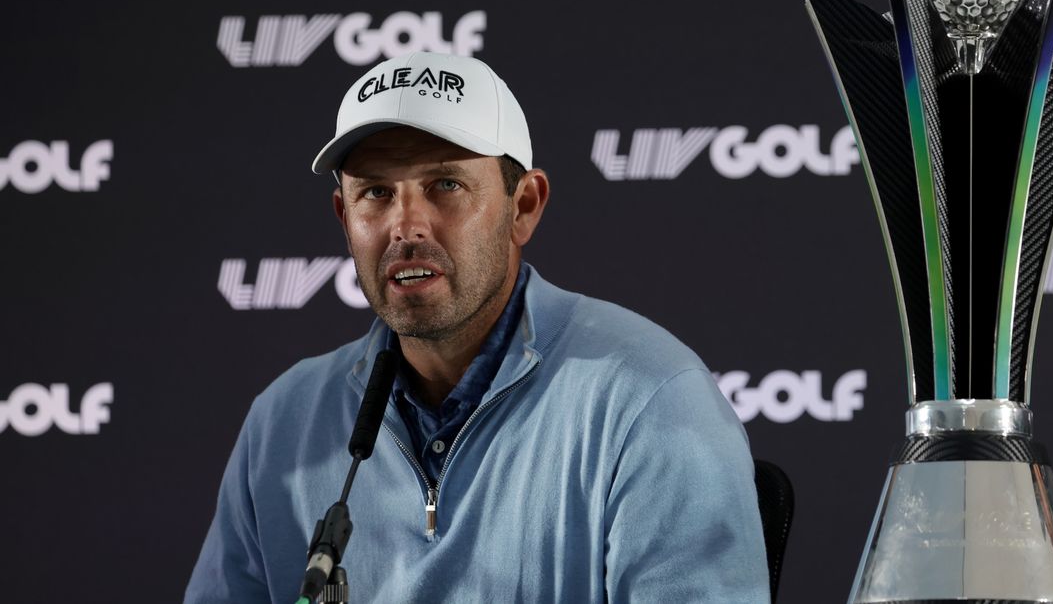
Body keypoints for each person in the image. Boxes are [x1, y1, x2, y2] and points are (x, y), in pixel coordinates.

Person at [184, 51, 770, 602]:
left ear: (524, 206)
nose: (406, 226)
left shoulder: (650, 401)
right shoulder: (282, 422)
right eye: (376, 193)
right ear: (344, 216)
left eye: (446, 185)